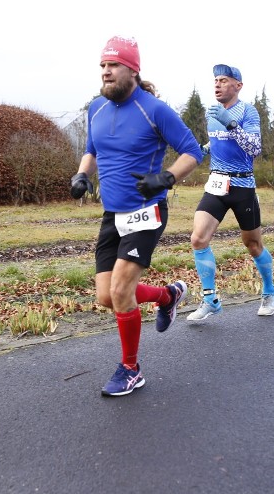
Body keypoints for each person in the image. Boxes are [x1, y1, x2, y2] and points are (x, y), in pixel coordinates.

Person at [69, 35, 203, 397]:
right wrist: (83, 174)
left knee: (121, 289)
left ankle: (131, 369)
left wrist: (168, 176)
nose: (106, 72)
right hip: (113, 214)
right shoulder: (96, 108)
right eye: (102, 66)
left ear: (132, 70)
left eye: (113, 66)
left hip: (147, 212)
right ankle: (167, 296)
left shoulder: (154, 109)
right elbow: (91, 149)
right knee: (106, 296)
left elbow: (192, 151)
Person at [187, 64, 274, 321]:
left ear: (238, 85)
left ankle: (270, 291)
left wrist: (232, 124)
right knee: (198, 239)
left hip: (242, 186)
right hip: (216, 183)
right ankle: (210, 299)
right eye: (215, 80)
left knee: (252, 244)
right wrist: (202, 149)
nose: (217, 85)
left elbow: (254, 148)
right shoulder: (211, 113)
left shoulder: (248, 112)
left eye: (224, 80)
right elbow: (217, 142)